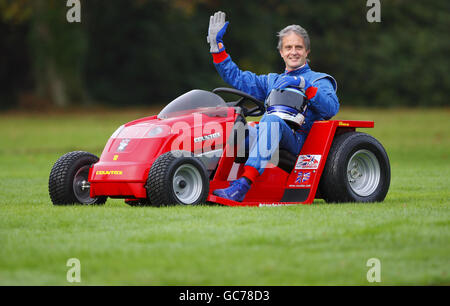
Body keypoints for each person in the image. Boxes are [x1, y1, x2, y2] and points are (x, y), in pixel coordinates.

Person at [208, 11, 339, 202]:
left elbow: (331, 109)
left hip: (298, 142)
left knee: (270, 120)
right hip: (268, 135)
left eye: (298, 47)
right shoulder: (272, 81)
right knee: (233, 128)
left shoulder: (318, 79)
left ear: (307, 52)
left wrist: (305, 86)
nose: (293, 52)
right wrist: (216, 47)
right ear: (281, 52)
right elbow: (236, 77)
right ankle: (201, 178)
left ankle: (242, 186)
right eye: (288, 47)